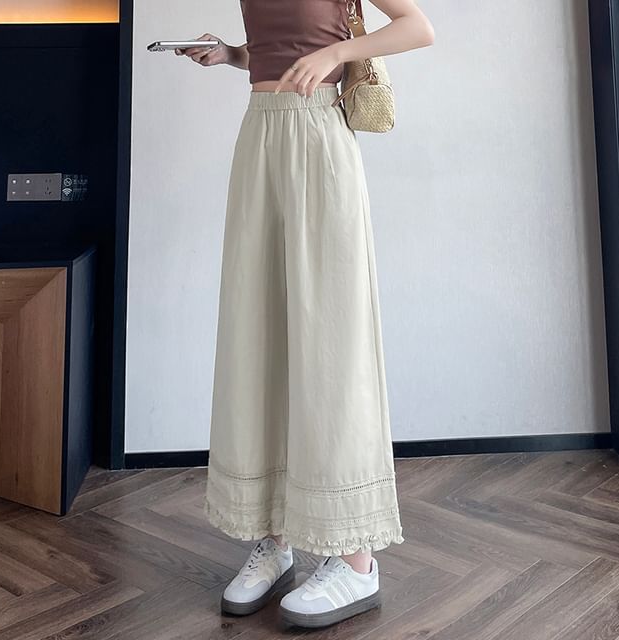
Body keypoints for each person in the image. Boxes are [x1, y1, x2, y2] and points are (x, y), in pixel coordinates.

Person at [176, 0, 434, 629]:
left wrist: (338, 53)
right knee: (258, 331)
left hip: (320, 134)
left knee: (331, 339)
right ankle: (275, 536)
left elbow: (418, 27)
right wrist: (231, 55)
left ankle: (356, 560)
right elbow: (277, 50)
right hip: (259, 134)